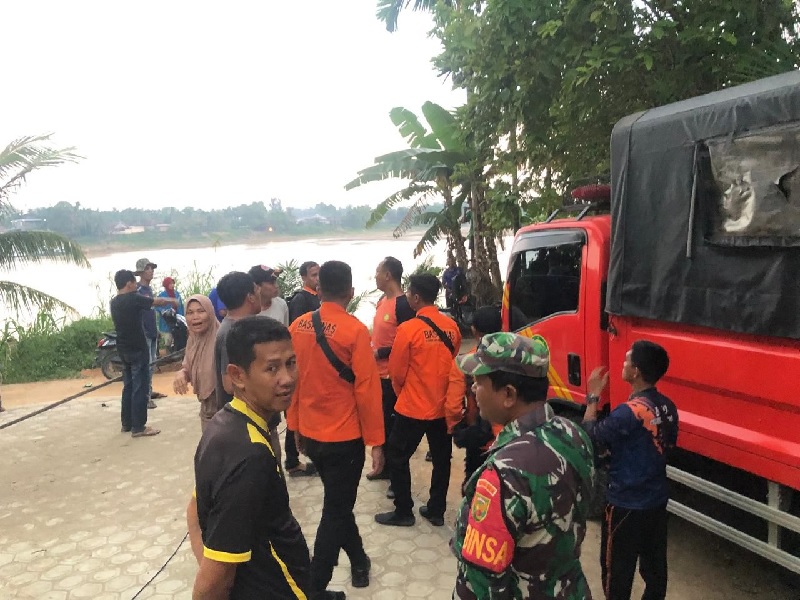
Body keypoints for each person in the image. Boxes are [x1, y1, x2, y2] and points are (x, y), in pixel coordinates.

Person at [188, 316, 336, 599]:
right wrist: (216, 575)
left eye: (291, 363)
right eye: (271, 368)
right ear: (238, 376)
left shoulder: (222, 425)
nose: (287, 378)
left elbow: (193, 512)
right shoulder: (251, 456)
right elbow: (216, 575)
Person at [452, 332, 595, 599]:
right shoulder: (574, 435)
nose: (472, 389)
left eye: (478, 382)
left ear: (508, 394)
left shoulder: (504, 475)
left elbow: (478, 585)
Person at [287, 260, 383, 595]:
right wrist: (377, 443)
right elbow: (367, 390)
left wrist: (295, 426)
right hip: (345, 440)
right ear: (351, 292)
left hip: (311, 436)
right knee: (336, 510)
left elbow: (292, 382)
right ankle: (315, 588)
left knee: (337, 505)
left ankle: (358, 559)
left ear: (318, 288)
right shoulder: (355, 330)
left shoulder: (297, 326)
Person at [583, 341, 679, 600]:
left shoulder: (629, 413)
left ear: (635, 371)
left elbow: (592, 438)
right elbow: (668, 444)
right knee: (655, 571)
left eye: (626, 361)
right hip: (657, 502)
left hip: (624, 505)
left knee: (617, 574)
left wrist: (593, 397)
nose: (622, 365)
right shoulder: (668, 407)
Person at [375, 273, 461, 528]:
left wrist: (403, 392)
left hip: (413, 405)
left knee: (397, 456)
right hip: (443, 406)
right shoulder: (451, 327)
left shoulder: (408, 329)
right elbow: (453, 358)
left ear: (415, 297)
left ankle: (404, 511)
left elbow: (397, 370)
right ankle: (436, 510)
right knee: (442, 459)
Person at [249, 263, 316, 477]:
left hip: (282, 370)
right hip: (259, 374)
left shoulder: (281, 305)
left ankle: (291, 460)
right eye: (270, 281)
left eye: (275, 280)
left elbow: (288, 336)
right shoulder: (250, 310)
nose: (275, 285)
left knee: (290, 410)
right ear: (257, 287)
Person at [213, 271, 287, 464]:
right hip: (248, 426)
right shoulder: (234, 333)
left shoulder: (239, 327)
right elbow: (229, 384)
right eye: (257, 289)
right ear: (250, 297)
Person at [110, 269, 175, 438]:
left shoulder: (114, 302)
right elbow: (156, 301)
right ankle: (139, 427)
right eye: (134, 282)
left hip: (123, 348)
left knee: (129, 386)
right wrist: (172, 300)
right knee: (140, 387)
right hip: (138, 348)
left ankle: (127, 423)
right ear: (129, 283)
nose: (135, 285)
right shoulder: (134, 298)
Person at [366, 256, 415, 481]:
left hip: (392, 376)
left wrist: (381, 353)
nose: (375, 276)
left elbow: (408, 341)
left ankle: (397, 477)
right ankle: (384, 468)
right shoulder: (381, 302)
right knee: (383, 422)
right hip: (377, 375)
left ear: (388, 275)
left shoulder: (403, 305)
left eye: (377, 271)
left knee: (395, 427)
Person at [445, 305, 503, 489]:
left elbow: (453, 404)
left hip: (479, 438)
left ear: (474, 330)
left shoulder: (465, 363)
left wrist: (456, 428)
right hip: (511, 438)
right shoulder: (515, 358)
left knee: (475, 488)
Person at [173, 295, 220, 431]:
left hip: (225, 410)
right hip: (207, 409)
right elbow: (188, 365)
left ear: (210, 313)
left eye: (201, 311)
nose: (195, 317)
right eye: (190, 312)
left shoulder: (221, 339)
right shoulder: (193, 339)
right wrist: (182, 373)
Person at [135, 258, 164, 407]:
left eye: (152, 268)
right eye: (148, 268)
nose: (151, 271)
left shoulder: (149, 290)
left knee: (151, 364)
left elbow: (151, 312)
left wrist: (156, 329)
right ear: (141, 272)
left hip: (152, 332)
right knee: (145, 365)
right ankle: (145, 398)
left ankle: (149, 391)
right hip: (144, 333)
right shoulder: (138, 290)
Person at [156, 276, 185, 349]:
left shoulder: (177, 294)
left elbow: (180, 306)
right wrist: (163, 311)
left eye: (173, 283)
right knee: (168, 341)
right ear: (166, 285)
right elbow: (157, 306)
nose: (172, 285)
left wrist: (182, 318)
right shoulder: (162, 295)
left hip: (177, 320)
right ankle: (168, 356)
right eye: (170, 283)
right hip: (166, 321)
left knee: (179, 340)